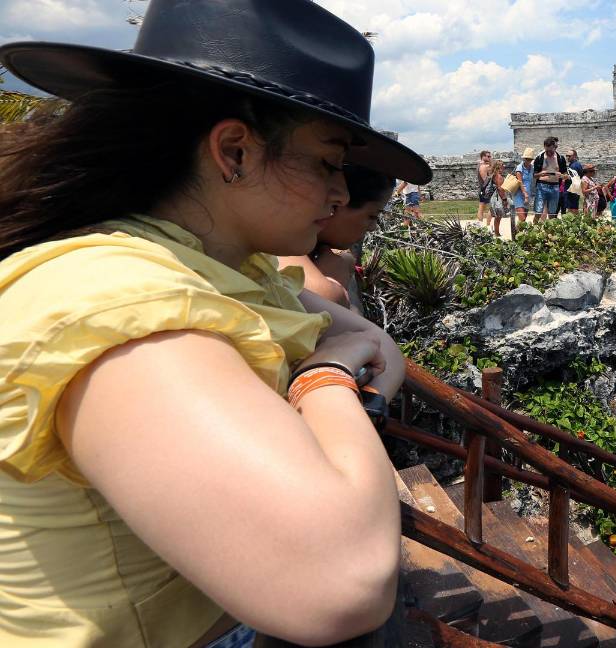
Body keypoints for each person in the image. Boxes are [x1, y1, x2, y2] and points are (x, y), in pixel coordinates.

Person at [0, 0, 425, 645]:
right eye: (326, 162)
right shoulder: (121, 304)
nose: (342, 194)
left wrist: (347, 358)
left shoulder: (213, 265)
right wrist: (329, 379)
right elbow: (341, 580)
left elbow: (371, 342)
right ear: (234, 152)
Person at [280, 165, 391, 312]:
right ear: (336, 206)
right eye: (372, 216)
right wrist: (334, 281)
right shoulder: (279, 247)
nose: (373, 227)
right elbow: (328, 298)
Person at [532, 136, 567, 219]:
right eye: (547, 150)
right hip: (541, 185)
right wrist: (540, 174)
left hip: (555, 186)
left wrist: (562, 176)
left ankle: (550, 230)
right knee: (538, 211)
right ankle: (535, 229)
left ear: (555, 147)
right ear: (544, 147)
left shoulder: (560, 158)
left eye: (551, 150)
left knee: (552, 212)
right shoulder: (539, 158)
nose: (549, 153)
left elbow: (565, 174)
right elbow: (534, 175)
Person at [514, 147, 535, 225]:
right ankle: (517, 234)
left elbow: (533, 177)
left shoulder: (532, 168)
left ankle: (517, 234)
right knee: (522, 218)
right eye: (527, 159)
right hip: (519, 194)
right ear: (524, 159)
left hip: (527, 194)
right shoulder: (519, 168)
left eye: (530, 159)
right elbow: (520, 182)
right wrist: (525, 194)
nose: (528, 160)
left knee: (523, 219)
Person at [476, 149, 497, 225]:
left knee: (482, 207)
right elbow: (486, 180)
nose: (489, 158)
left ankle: (481, 224)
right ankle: (487, 224)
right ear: (483, 156)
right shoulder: (483, 167)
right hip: (485, 189)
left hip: (482, 189)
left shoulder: (480, 165)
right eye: (488, 156)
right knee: (491, 207)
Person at [563, 148, 583, 214]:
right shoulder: (573, 164)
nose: (567, 157)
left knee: (572, 209)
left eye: (569, 156)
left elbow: (575, 178)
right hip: (573, 190)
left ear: (574, 156)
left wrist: (564, 177)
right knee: (572, 208)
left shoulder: (575, 165)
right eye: (566, 156)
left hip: (572, 190)